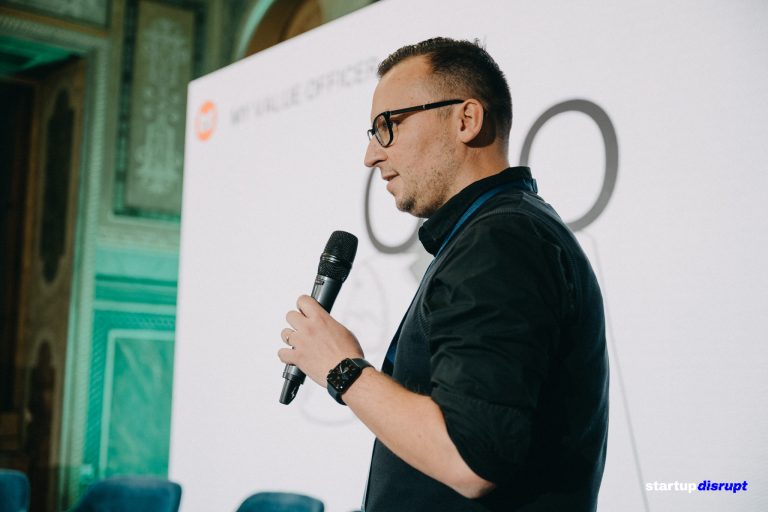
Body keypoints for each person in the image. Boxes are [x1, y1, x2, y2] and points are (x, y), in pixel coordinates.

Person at [277, 37, 609, 511]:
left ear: (466, 120)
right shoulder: (498, 233)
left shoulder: (501, 242)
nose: (371, 155)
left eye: (388, 126)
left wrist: (342, 368)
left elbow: (471, 457)